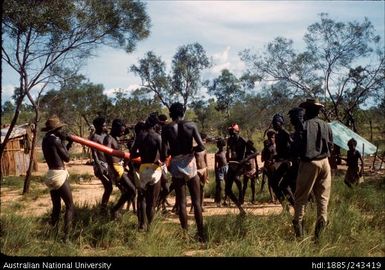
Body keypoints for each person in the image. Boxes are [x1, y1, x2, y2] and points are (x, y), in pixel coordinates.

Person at [161, 102, 206, 242]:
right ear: (183, 112)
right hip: (190, 163)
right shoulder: (191, 125)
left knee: (181, 202)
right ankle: (201, 235)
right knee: (196, 202)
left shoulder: (166, 128)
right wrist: (191, 150)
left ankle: (185, 235)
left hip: (175, 163)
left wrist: (172, 153)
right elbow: (201, 146)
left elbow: (164, 152)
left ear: (171, 114)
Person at [292, 98, 333, 241]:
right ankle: (318, 238)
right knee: (322, 200)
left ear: (307, 110)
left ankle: (300, 237)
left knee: (301, 198)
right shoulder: (326, 125)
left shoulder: (304, 126)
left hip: (309, 163)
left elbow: (296, 148)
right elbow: (331, 146)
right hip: (325, 163)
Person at [41, 116, 74, 242]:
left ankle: (52, 234)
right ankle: (66, 238)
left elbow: (58, 154)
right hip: (59, 174)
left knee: (56, 207)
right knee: (70, 206)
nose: (62, 131)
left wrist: (67, 143)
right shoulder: (56, 140)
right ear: (55, 130)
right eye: (60, 129)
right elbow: (67, 158)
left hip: (50, 174)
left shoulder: (45, 140)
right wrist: (66, 142)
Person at [130, 113, 162, 231]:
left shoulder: (140, 136)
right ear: (155, 125)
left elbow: (133, 154)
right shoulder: (158, 137)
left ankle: (141, 225)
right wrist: (159, 160)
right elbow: (164, 155)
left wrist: (142, 155)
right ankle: (150, 228)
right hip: (155, 170)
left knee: (142, 198)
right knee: (151, 202)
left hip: (143, 169)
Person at [104, 119, 136, 220]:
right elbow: (107, 153)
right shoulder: (108, 139)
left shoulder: (115, 137)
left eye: (123, 131)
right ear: (115, 128)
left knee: (128, 191)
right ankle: (115, 210)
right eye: (121, 131)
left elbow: (126, 131)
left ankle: (116, 211)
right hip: (115, 167)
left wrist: (131, 127)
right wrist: (114, 170)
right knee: (132, 190)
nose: (122, 133)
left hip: (119, 166)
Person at [89, 116, 112, 213]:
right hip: (100, 164)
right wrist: (99, 167)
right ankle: (103, 209)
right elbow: (94, 153)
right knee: (108, 187)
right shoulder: (94, 137)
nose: (105, 127)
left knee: (110, 187)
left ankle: (104, 208)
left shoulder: (106, 135)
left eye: (105, 125)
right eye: (103, 126)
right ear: (97, 126)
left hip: (108, 164)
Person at [225, 123, 247, 215]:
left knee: (237, 179)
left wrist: (244, 160)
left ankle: (241, 193)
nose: (231, 134)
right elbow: (228, 150)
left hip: (240, 165)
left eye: (233, 132)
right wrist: (228, 158)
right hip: (232, 164)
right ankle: (240, 208)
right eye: (230, 132)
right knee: (227, 190)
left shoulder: (243, 140)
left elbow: (255, 151)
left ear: (237, 131)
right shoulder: (229, 140)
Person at [190, 133, 208, 214]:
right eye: (202, 140)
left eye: (204, 140)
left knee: (202, 188)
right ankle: (192, 207)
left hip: (203, 170)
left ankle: (201, 205)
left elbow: (206, 162)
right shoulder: (194, 150)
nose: (203, 142)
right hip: (196, 170)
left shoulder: (204, 150)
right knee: (195, 189)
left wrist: (207, 174)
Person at [261, 129, 277, 203]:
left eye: (273, 137)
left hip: (277, 167)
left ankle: (277, 197)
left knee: (277, 182)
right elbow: (262, 158)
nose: (271, 139)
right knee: (270, 182)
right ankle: (272, 198)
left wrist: (274, 160)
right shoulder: (266, 147)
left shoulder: (278, 146)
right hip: (268, 167)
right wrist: (267, 160)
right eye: (270, 137)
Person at [241, 140, 259, 204]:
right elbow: (243, 163)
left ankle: (253, 199)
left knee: (253, 185)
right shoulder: (245, 153)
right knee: (245, 186)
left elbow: (256, 163)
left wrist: (256, 171)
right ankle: (242, 199)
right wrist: (243, 171)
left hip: (252, 170)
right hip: (246, 171)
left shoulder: (253, 153)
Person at [214, 138, 228, 207]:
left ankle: (225, 200)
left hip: (226, 168)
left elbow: (228, 161)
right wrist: (216, 172)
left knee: (227, 185)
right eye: (220, 146)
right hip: (219, 169)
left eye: (223, 146)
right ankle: (219, 201)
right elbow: (215, 164)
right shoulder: (217, 154)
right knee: (219, 186)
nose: (222, 147)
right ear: (218, 146)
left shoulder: (225, 153)